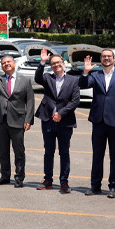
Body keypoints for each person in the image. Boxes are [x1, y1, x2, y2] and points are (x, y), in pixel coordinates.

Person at [80, 49, 115, 198]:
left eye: (109, 57)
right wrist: (85, 71)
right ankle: (95, 186)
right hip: (98, 121)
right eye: (104, 57)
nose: (106, 59)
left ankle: (113, 186)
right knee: (97, 156)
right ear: (101, 59)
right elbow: (83, 85)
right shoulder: (95, 75)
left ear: (114, 59)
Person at [0, 52, 35, 188]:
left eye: (8, 62)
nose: (6, 64)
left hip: (18, 119)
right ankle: (5, 176)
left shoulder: (24, 80)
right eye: (3, 63)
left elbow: (30, 101)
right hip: (1, 120)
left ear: (14, 63)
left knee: (19, 151)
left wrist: (28, 119)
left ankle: (19, 178)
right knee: (3, 151)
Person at [34, 48, 80, 194]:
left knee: (64, 152)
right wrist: (42, 62)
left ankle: (64, 182)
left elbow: (75, 101)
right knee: (48, 151)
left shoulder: (73, 80)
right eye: (53, 63)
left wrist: (61, 113)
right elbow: (37, 78)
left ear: (63, 64)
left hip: (65, 122)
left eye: (58, 63)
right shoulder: (48, 77)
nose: (56, 65)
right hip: (47, 119)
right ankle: (48, 179)